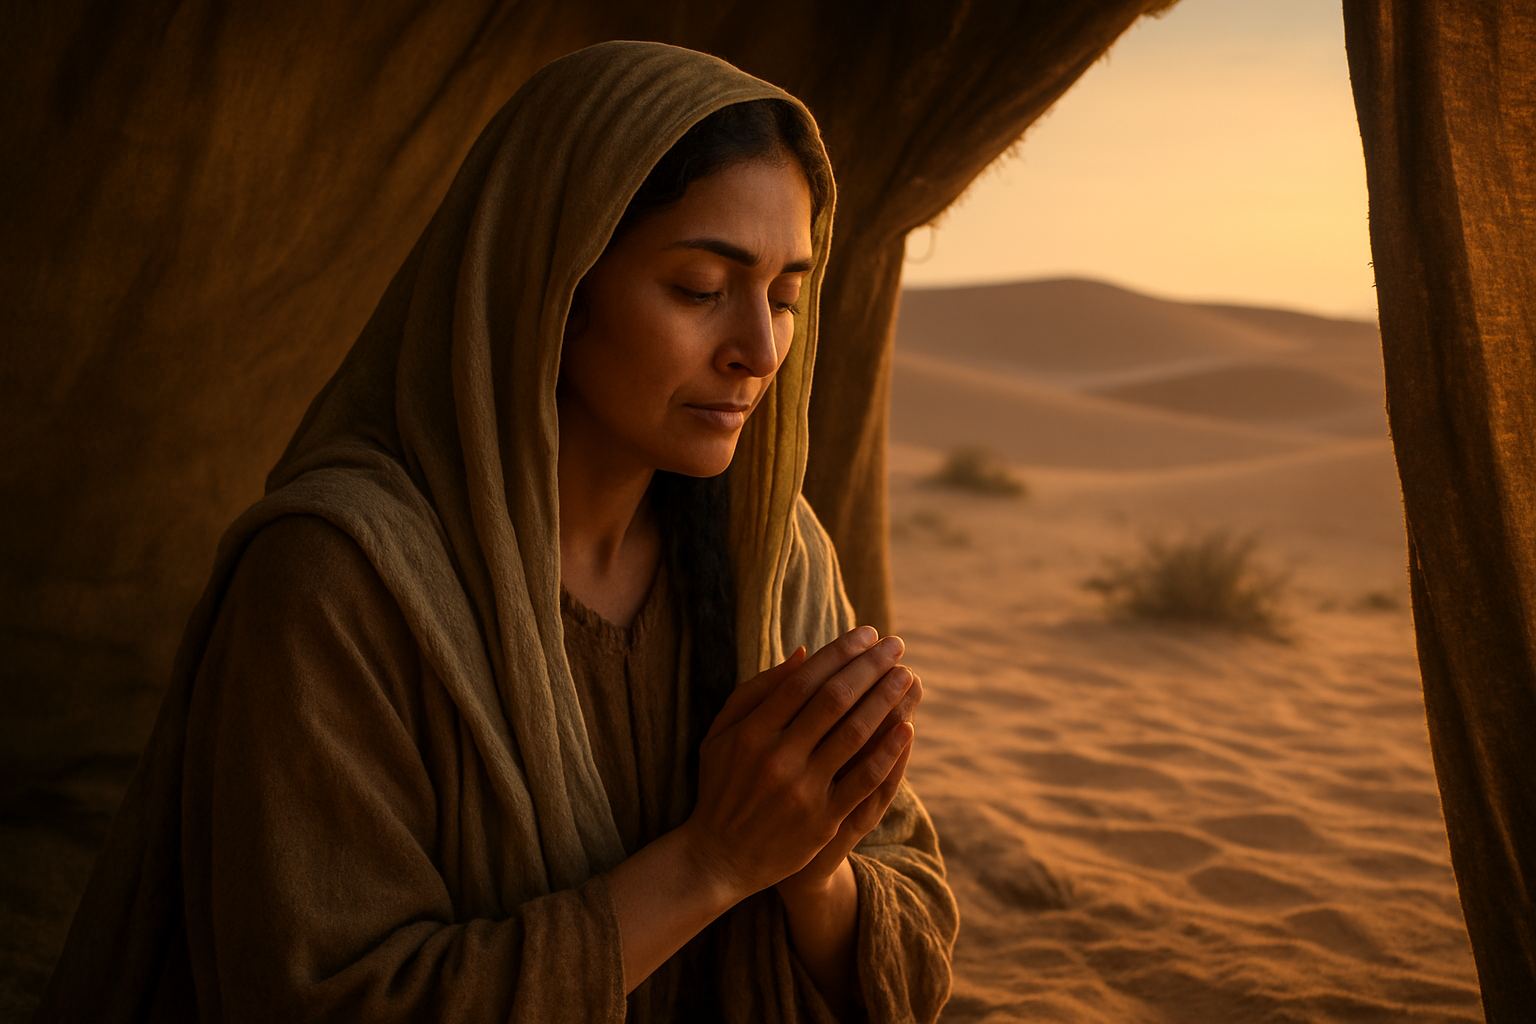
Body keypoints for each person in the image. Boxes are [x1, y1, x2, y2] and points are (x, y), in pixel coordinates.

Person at [39, 40, 957, 1023]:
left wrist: (813, 871)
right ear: (551, 283)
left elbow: (914, 941)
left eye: (785, 297)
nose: (758, 349)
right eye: (700, 288)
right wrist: (715, 860)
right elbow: (324, 998)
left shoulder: (774, 553)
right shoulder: (336, 581)